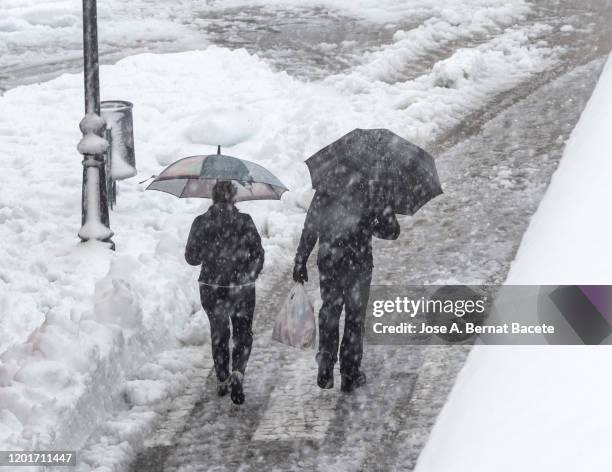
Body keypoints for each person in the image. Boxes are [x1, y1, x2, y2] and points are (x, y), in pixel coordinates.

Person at [293, 183, 400, 393]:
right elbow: (392, 231)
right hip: (358, 264)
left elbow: (311, 227)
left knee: (330, 310)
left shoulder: (327, 187)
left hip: (330, 260)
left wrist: (300, 260)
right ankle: (350, 372)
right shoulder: (373, 189)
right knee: (355, 317)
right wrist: (372, 223)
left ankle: (325, 360)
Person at [185, 181, 264, 405]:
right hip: (241, 288)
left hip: (212, 287)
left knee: (219, 332)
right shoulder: (245, 221)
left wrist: (207, 251)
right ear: (234, 198)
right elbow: (258, 253)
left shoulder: (201, 222)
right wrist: (250, 274)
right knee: (243, 332)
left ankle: (222, 378)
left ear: (213, 198)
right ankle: (238, 372)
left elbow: (191, 258)